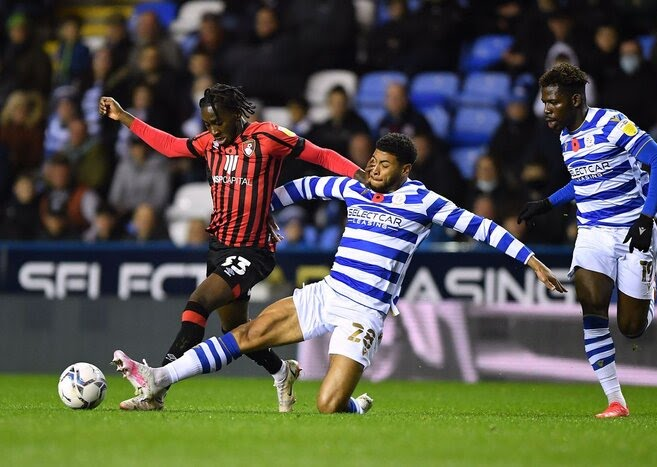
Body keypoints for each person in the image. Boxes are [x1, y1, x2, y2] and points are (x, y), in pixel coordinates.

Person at [112, 133, 566, 414]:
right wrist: (260, 212)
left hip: (364, 312)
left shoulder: (424, 202)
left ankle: (355, 406)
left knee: (328, 405)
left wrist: (533, 261)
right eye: (372, 160)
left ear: (405, 170)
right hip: (328, 293)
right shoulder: (354, 186)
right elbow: (302, 187)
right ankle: (159, 379)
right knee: (248, 335)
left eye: (383, 165)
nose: (372, 168)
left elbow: (482, 227)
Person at [99, 83, 365, 412]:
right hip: (219, 247)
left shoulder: (267, 137)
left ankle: (158, 382)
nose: (214, 131)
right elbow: (170, 146)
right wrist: (125, 117)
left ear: (236, 115)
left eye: (219, 123)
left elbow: (319, 154)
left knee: (198, 303)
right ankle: (283, 372)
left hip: (253, 250)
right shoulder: (209, 144)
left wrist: (358, 174)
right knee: (238, 331)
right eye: (208, 124)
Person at [517, 63, 657, 418]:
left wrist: (647, 218)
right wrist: (547, 203)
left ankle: (647, 295)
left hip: (635, 229)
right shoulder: (565, 137)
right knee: (591, 303)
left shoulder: (612, 123)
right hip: (592, 232)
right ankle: (615, 400)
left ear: (575, 99)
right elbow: (584, 180)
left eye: (553, 103)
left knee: (631, 328)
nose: (547, 110)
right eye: (544, 103)